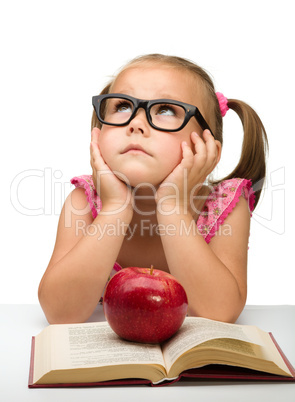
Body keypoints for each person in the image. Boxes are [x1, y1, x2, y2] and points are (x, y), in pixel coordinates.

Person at [38, 54, 268, 325]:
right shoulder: (85, 202)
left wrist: (172, 207)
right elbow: (59, 313)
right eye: (122, 106)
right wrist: (114, 209)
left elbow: (219, 313)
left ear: (208, 150)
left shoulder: (224, 204)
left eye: (166, 110)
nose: (136, 123)